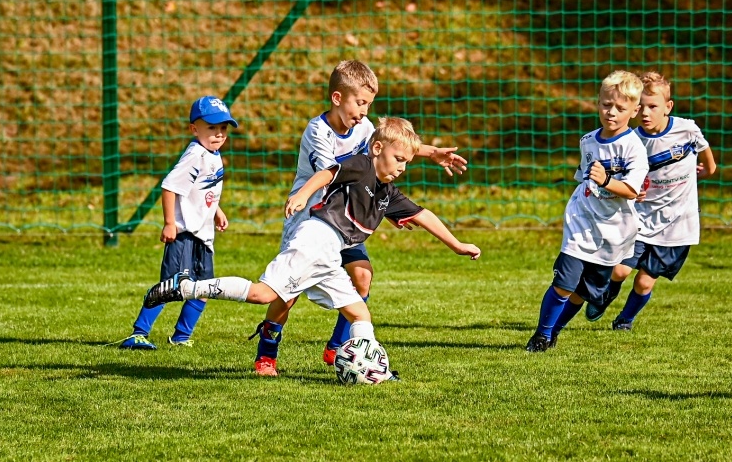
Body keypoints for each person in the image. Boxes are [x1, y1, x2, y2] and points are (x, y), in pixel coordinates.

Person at [143, 117, 480, 376]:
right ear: (378, 150)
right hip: (314, 239)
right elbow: (327, 174)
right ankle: (185, 287)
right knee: (265, 295)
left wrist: (456, 244)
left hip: (331, 255)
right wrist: (303, 194)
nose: (403, 167)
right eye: (399, 159)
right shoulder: (361, 166)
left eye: (407, 162)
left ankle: (373, 371)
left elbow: (424, 215)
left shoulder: (386, 193)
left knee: (359, 311)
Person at [256, 60, 468, 375]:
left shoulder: (365, 129)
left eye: (369, 104)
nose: (364, 110)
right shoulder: (319, 132)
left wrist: (430, 151)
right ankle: (267, 354)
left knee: (363, 276)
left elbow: (392, 144)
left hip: (347, 221)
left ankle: (340, 349)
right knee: (288, 293)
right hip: (310, 220)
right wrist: (380, 205)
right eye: (360, 102)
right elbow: (335, 177)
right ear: (338, 98)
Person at [527, 70, 648, 351]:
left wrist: (607, 181)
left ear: (634, 110)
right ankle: (542, 335)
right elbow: (584, 178)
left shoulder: (633, 148)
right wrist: (595, 183)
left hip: (614, 228)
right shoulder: (588, 140)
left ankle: (555, 330)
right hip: (581, 221)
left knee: (584, 291)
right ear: (598, 103)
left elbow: (631, 189)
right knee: (565, 283)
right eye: (606, 105)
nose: (611, 112)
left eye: (620, 108)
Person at [585, 71, 717, 329]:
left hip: (678, 223)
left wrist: (706, 170)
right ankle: (603, 297)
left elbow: (708, 160)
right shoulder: (632, 140)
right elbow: (625, 176)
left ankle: (625, 320)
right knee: (620, 270)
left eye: (653, 106)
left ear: (668, 107)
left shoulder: (687, 130)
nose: (646, 113)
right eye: (641, 107)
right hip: (641, 217)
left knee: (644, 282)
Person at [118, 95, 235, 350]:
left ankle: (181, 337)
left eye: (223, 128)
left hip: (202, 235)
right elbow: (170, 187)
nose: (218, 134)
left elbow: (202, 189)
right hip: (184, 233)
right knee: (170, 286)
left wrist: (216, 210)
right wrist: (170, 222)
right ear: (195, 129)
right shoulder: (195, 155)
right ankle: (138, 334)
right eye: (212, 128)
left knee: (204, 288)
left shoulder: (213, 155)